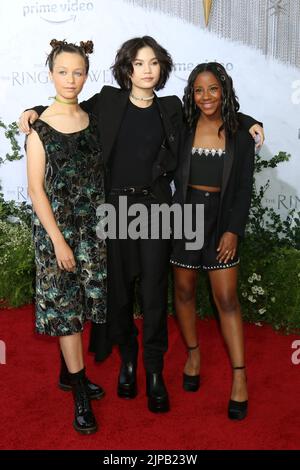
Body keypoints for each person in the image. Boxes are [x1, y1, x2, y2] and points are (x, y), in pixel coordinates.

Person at [19, 36, 264, 414]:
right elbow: (68, 110)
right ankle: (128, 362)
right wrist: (32, 111)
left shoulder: (171, 109)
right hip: (113, 210)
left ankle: (154, 371)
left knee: (153, 294)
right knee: (119, 293)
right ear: (127, 69)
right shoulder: (108, 102)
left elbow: (211, 110)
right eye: (139, 63)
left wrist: (249, 122)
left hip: (156, 209)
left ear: (162, 68)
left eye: (153, 63)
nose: (146, 70)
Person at [25, 39, 107, 434]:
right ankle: (79, 396)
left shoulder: (93, 119)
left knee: (82, 306)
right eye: (63, 71)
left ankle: (68, 372)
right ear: (51, 74)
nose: (70, 79)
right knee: (68, 312)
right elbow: (36, 190)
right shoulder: (38, 129)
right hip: (56, 234)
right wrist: (58, 240)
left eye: (78, 72)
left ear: (86, 75)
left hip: (91, 230)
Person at [170, 62, 259, 420]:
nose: (206, 96)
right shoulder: (182, 126)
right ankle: (193, 353)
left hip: (221, 219)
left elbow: (243, 188)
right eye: (198, 90)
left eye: (213, 89)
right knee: (184, 291)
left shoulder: (240, 133)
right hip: (185, 216)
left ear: (224, 90)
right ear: (191, 94)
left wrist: (233, 230)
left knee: (226, 299)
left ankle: (240, 376)